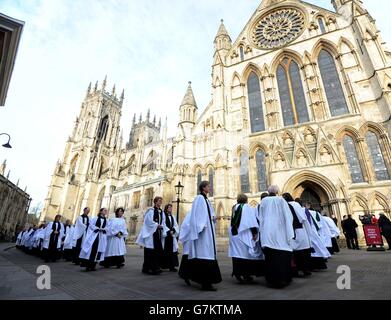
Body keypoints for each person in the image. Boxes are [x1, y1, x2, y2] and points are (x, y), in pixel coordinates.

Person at [186, 181, 222, 291]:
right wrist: (201, 225)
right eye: (208, 186)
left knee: (208, 254)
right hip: (204, 232)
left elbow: (209, 214)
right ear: (203, 188)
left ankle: (207, 282)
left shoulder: (206, 199)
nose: (210, 187)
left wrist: (214, 218)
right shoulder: (199, 198)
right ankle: (205, 284)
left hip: (208, 231)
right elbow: (198, 214)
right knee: (205, 255)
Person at [258, 185, 294, 288]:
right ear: (277, 191)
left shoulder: (264, 201)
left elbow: (260, 216)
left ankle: (271, 280)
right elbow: (288, 216)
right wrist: (289, 229)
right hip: (280, 231)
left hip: (268, 232)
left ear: (268, 192)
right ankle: (284, 279)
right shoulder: (281, 200)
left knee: (270, 257)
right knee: (282, 256)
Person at [229, 194, 264, 284]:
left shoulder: (234, 207)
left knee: (237, 254)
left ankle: (238, 273)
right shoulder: (246, 207)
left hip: (234, 234)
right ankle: (246, 274)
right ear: (246, 200)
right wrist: (255, 232)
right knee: (246, 255)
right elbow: (251, 221)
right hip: (243, 234)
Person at [282, 194, 312, 277]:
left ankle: (296, 270)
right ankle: (305, 269)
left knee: (295, 252)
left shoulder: (287, 205)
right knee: (302, 251)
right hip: (301, 229)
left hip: (293, 230)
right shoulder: (296, 204)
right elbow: (303, 218)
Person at [136, 197, 167, 275]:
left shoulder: (161, 212)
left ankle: (155, 267)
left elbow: (163, 221)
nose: (160, 202)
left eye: (161, 201)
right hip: (151, 234)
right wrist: (156, 225)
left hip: (158, 233)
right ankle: (148, 268)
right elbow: (148, 221)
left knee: (157, 252)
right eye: (159, 201)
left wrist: (162, 226)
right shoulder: (150, 211)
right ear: (155, 202)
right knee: (150, 252)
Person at [302, 201, 330, 270]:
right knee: (317, 247)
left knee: (315, 247)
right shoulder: (313, 212)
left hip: (310, 231)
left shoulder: (307, 211)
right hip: (313, 231)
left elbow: (309, 222)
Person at [161, 204, 179, 272]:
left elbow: (176, 225)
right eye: (169, 207)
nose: (170, 208)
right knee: (165, 250)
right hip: (166, 235)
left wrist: (173, 231)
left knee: (173, 251)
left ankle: (172, 266)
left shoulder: (173, 216)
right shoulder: (163, 216)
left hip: (172, 236)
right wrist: (168, 231)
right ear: (166, 208)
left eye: (171, 207)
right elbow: (163, 224)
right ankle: (164, 265)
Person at [178, 211, 192, 286]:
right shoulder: (190, 214)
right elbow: (186, 225)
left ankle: (184, 273)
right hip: (189, 238)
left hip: (192, 238)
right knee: (187, 255)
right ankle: (183, 273)